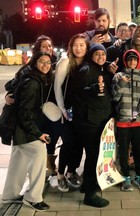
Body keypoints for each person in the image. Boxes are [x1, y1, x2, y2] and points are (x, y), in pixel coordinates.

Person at [2, 52, 53, 211]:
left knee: (19, 159)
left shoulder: (33, 76)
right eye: (41, 62)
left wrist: (10, 95)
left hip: (16, 126)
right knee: (39, 152)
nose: (45, 65)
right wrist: (38, 134)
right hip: (21, 128)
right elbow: (25, 114)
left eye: (48, 63)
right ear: (35, 63)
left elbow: (10, 86)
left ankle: (9, 195)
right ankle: (33, 198)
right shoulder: (32, 83)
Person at [5, 35, 60, 177]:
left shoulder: (54, 65)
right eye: (44, 46)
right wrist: (9, 96)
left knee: (46, 144)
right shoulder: (29, 69)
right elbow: (12, 85)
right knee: (32, 151)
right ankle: (37, 180)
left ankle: (46, 171)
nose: (48, 48)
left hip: (47, 113)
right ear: (37, 51)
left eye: (50, 46)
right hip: (31, 117)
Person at [72, 43, 113, 207]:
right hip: (89, 122)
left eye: (103, 54)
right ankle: (90, 194)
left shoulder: (101, 69)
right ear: (91, 55)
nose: (101, 57)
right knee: (93, 157)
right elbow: (75, 94)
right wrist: (92, 89)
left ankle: (87, 186)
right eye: (97, 54)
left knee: (94, 155)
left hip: (99, 119)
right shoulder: (86, 70)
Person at [54, 33, 89, 192]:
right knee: (68, 144)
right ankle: (60, 174)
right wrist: (62, 109)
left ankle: (71, 172)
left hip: (82, 113)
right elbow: (57, 87)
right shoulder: (65, 62)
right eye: (75, 45)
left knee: (79, 144)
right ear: (70, 47)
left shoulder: (88, 64)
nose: (79, 48)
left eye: (82, 45)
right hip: (67, 112)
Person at [111, 49, 140, 191]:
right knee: (123, 150)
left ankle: (139, 176)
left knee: (139, 149)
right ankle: (125, 177)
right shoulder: (118, 76)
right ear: (125, 61)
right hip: (123, 120)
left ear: (138, 61)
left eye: (135, 59)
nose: (132, 62)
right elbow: (114, 98)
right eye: (129, 60)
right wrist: (121, 83)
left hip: (138, 121)